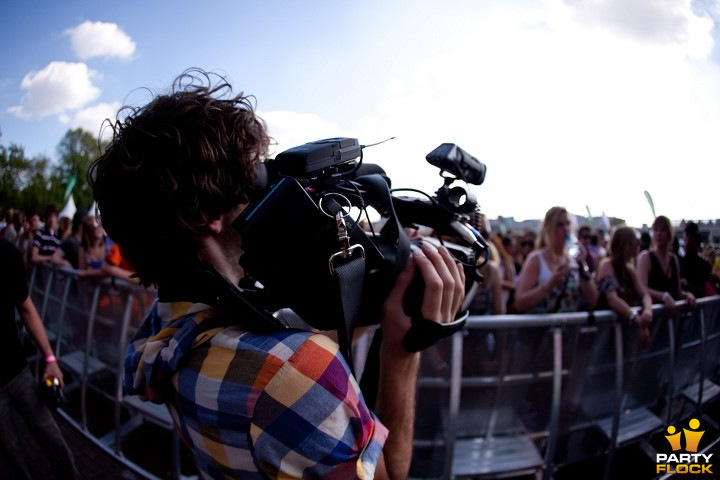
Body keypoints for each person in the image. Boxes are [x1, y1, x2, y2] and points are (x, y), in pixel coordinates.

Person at [88, 69, 464, 479]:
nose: (268, 191)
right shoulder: (292, 374)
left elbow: (292, 335)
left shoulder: (164, 335)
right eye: (256, 176)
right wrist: (403, 352)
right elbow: (389, 473)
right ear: (206, 214)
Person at [0, 238, 78, 479]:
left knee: (51, 437)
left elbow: (27, 308)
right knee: (10, 450)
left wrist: (50, 358)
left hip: (17, 369)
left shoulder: (5, 253)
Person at [514, 206, 598, 314]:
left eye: (568, 223)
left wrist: (582, 266)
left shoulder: (573, 259)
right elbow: (520, 303)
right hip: (541, 327)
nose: (565, 229)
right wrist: (549, 284)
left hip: (569, 327)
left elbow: (593, 301)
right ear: (549, 229)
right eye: (559, 225)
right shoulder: (536, 258)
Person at [595, 226, 653, 346]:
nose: (638, 245)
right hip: (606, 333)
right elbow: (612, 299)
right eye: (635, 242)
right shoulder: (607, 265)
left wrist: (647, 311)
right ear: (626, 244)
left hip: (624, 332)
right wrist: (636, 318)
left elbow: (645, 294)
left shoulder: (629, 270)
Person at [637, 215, 696, 317]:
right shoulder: (646, 257)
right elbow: (642, 288)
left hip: (670, 320)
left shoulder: (673, 259)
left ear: (669, 233)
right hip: (652, 316)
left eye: (663, 230)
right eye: (656, 230)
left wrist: (688, 295)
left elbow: (677, 291)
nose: (659, 234)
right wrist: (663, 296)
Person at [680, 222, 714, 298]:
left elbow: (704, 289)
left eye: (691, 237)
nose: (688, 240)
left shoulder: (704, 265)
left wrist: (686, 284)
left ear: (697, 240)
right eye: (686, 236)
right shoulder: (678, 262)